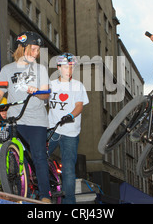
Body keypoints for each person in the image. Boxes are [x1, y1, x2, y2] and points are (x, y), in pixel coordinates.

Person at [0, 31, 51, 202]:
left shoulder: (40, 69)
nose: (36, 53)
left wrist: (38, 92)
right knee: (14, 154)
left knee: (38, 156)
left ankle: (44, 195)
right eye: (32, 49)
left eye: (37, 50)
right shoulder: (7, 69)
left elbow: (46, 94)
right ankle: (18, 188)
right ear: (22, 48)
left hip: (37, 121)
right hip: (15, 119)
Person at [48, 53, 89, 204]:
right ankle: (42, 192)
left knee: (69, 170)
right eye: (66, 67)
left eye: (71, 67)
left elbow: (79, 106)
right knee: (38, 157)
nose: (69, 70)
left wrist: (70, 116)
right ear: (59, 68)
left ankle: (69, 202)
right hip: (52, 129)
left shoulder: (78, 86)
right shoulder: (51, 85)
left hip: (70, 132)